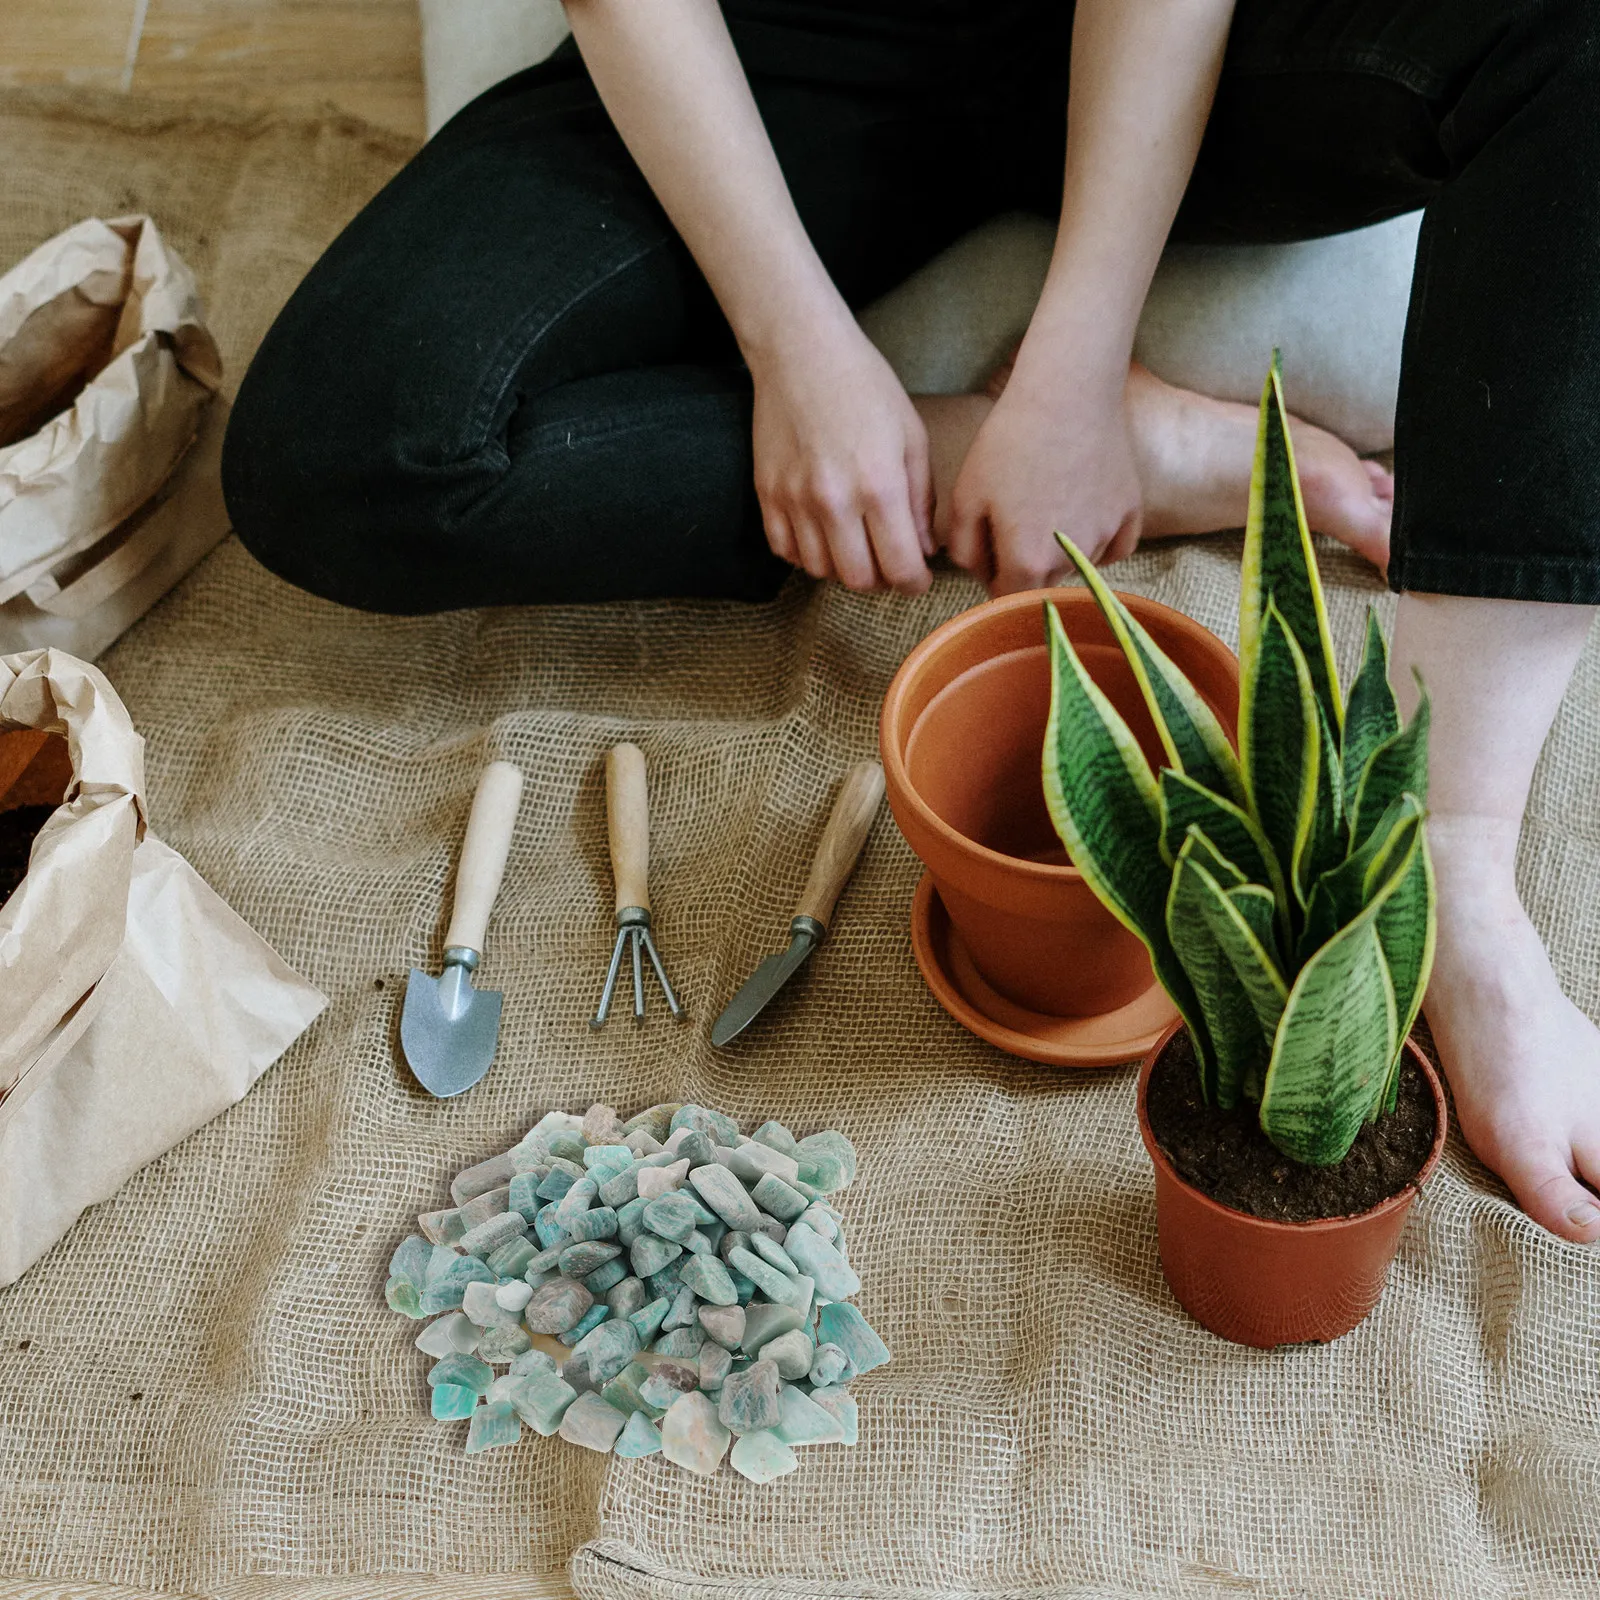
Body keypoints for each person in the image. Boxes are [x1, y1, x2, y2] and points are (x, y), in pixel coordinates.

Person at [222, 0, 1600, 1243]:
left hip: (1194, 40)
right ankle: (1007, 450)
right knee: (338, 449)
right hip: (790, 45)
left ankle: (1457, 874)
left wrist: (1070, 365)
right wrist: (799, 350)